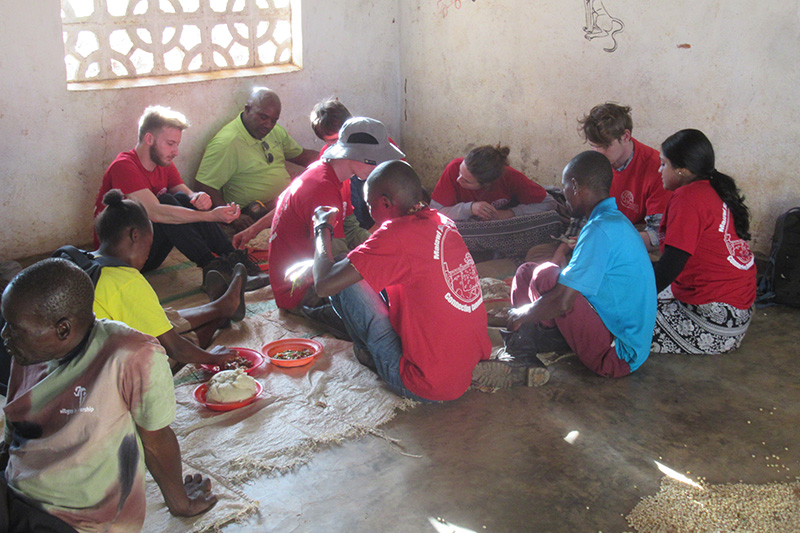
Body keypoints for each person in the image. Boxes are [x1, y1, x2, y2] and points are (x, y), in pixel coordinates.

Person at [0, 259, 216, 532]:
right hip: (14, 493)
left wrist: (181, 502)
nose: (5, 335)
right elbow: (14, 428)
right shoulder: (26, 353)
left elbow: (156, 440)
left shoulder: (131, 355)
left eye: (14, 328)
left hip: (71, 521)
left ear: (62, 329)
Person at [311, 160, 492, 402]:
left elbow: (324, 283)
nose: (369, 212)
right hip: (468, 364)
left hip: (423, 384)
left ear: (385, 203)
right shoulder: (442, 222)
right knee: (358, 268)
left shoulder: (395, 236)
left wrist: (322, 228)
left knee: (344, 276)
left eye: (368, 205)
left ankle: (369, 354)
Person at [475, 151, 656, 387]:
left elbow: (563, 302)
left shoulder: (600, 229)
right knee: (528, 271)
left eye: (564, 188)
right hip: (610, 328)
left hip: (617, 356)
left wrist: (520, 314)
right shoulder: (613, 221)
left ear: (575, 185)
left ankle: (522, 354)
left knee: (548, 277)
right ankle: (526, 348)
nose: (565, 196)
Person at [93, 105, 268, 292]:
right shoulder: (124, 166)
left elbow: (186, 194)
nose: (175, 151)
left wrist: (199, 198)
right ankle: (213, 268)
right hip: (125, 256)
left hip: (148, 250)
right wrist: (211, 216)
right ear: (149, 139)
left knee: (180, 199)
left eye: (177, 144)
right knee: (167, 202)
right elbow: (156, 212)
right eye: (170, 143)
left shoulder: (163, 163)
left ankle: (234, 259)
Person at [246, 117, 405, 320]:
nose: (379, 168)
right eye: (376, 161)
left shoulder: (339, 178)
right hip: (301, 292)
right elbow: (335, 266)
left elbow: (351, 229)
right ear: (355, 156)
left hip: (318, 273)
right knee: (390, 317)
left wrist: (383, 252)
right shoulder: (323, 189)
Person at [94, 189, 245, 370]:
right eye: (149, 245)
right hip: (105, 368)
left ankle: (220, 307)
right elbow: (177, 348)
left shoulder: (84, 261)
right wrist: (214, 358)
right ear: (135, 235)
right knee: (159, 352)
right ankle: (218, 318)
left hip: (83, 354)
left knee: (157, 315)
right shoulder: (127, 281)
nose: (148, 253)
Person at [651, 129, 756, 354]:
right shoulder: (711, 188)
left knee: (619, 320)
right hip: (737, 311)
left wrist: (637, 295)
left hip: (715, 322)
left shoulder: (688, 197)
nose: (660, 170)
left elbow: (672, 263)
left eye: (664, 164)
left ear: (682, 170)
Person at [194, 87, 318, 231]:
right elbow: (203, 186)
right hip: (254, 214)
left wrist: (330, 159)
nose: (268, 125)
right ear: (247, 109)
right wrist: (233, 217)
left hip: (285, 205)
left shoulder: (274, 131)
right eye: (263, 117)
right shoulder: (227, 143)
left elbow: (301, 156)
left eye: (274, 120)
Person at [431, 144, 564, 261]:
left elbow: (549, 203)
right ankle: (494, 251)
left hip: (501, 226)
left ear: (487, 185)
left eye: (467, 181)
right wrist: (469, 208)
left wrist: (510, 213)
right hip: (468, 228)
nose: (459, 180)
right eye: (460, 172)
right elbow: (435, 214)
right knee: (439, 232)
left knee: (551, 220)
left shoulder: (510, 177)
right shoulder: (453, 169)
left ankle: (490, 251)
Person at [578, 103, 672, 249]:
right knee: (541, 254)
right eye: (593, 145)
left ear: (626, 136)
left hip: (633, 241)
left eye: (605, 146)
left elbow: (657, 235)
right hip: (601, 234)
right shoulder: (595, 163)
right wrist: (564, 247)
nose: (598, 152)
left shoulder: (657, 169)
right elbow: (583, 214)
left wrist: (606, 240)